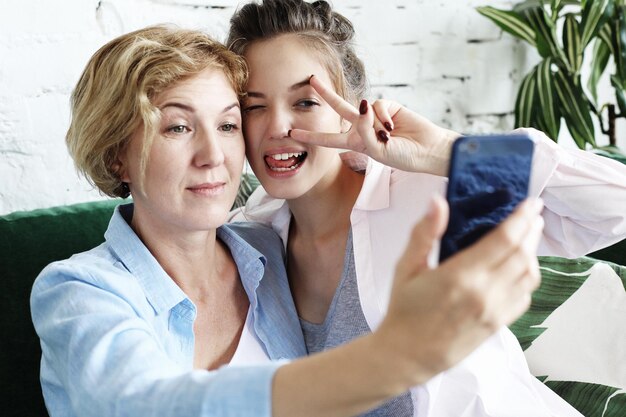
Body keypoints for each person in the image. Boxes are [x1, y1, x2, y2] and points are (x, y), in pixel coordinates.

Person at [30, 24, 548, 417]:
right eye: (178, 127)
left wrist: (442, 154)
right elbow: (146, 402)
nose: (214, 155)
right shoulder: (78, 291)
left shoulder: (265, 250)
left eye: (229, 124)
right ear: (117, 155)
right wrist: (392, 358)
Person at [226, 0, 626, 415]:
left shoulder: (428, 198)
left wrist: (448, 151)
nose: (276, 127)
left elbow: (617, 206)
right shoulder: (251, 238)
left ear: (349, 109)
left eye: (305, 102)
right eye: (254, 106)